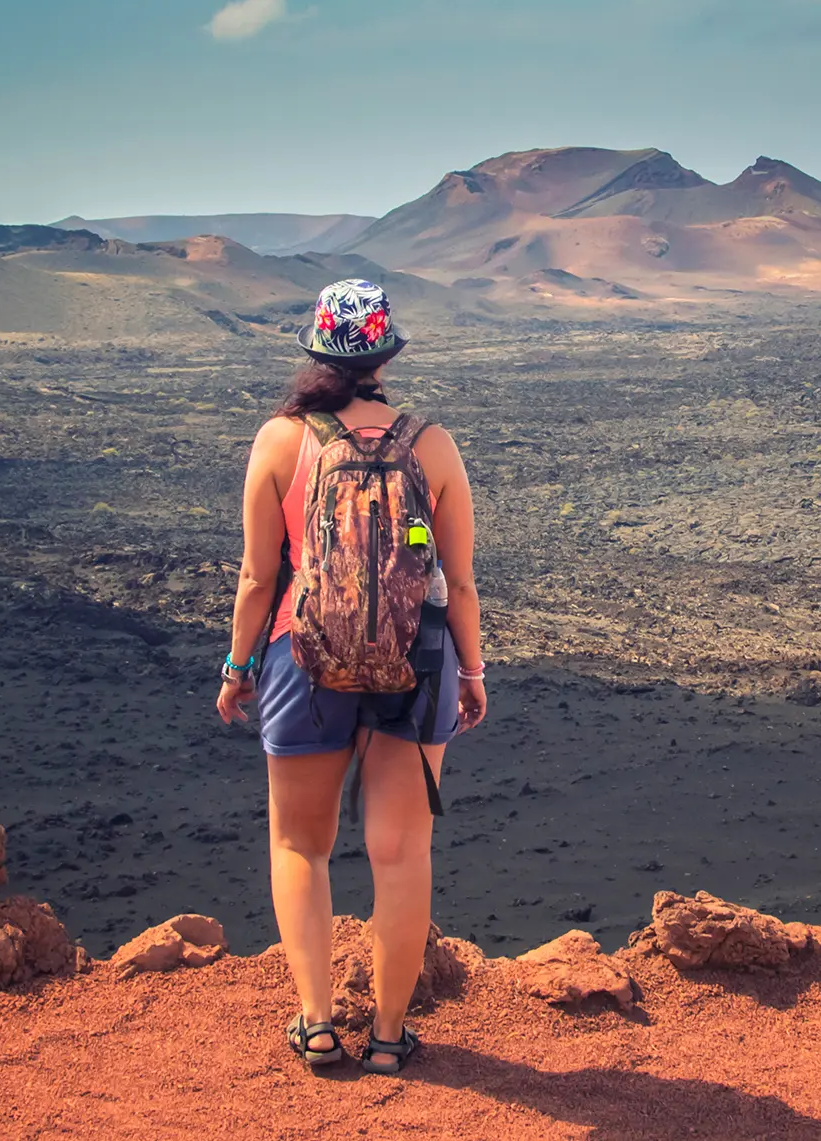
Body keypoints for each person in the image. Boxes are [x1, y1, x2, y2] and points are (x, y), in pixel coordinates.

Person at [215, 278, 487, 1076]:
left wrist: (238, 666)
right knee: (400, 851)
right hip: (416, 666)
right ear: (386, 355)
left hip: (303, 660)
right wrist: (471, 670)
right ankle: (391, 1037)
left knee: (300, 843)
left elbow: (257, 578)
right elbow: (460, 582)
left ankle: (317, 1024)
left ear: (316, 352)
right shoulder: (431, 444)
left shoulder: (280, 441)